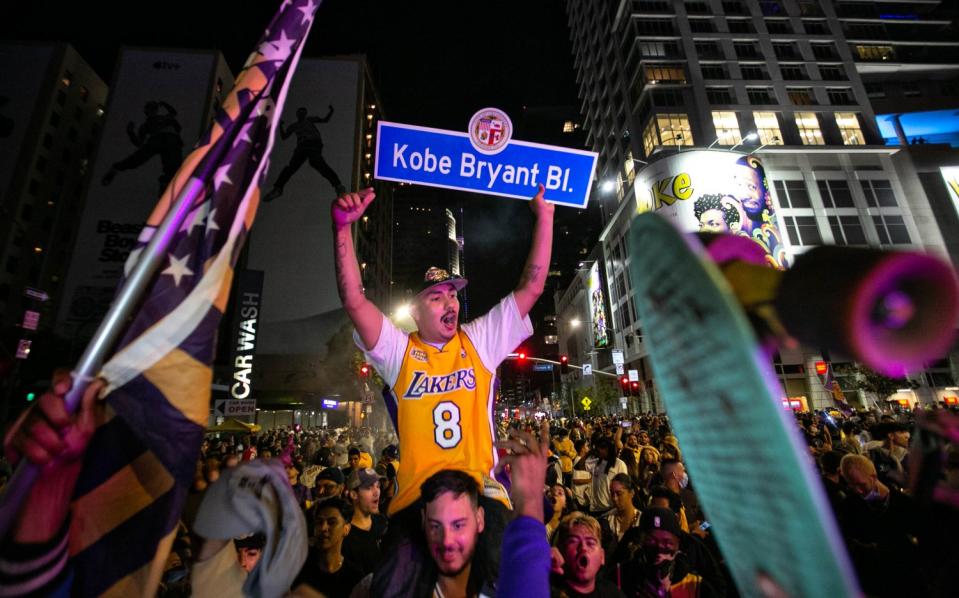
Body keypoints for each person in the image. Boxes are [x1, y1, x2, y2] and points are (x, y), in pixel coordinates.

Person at [332, 185, 554, 595]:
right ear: (415, 311)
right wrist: (343, 230)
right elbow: (354, 301)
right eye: (436, 297)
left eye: (452, 294)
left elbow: (532, 287)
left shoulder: (478, 341)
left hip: (481, 493)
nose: (449, 302)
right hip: (416, 500)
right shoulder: (399, 350)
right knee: (391, 589)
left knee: (516, 580)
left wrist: (545, 216)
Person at [619, 507, 709, 597]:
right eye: (651, 541)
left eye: (667, 542)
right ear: (640, 542)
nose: (659, 549)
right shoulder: (621, 576)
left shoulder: (695, 585)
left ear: (677, 544)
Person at [263, 105, 346, 201]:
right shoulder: (294, 126)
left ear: (305, 114)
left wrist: (331, 111)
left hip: (313, 143)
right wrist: (281, 126)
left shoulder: (309, 120)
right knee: (291, 167)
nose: (302, 115)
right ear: (298, 114)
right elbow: (284, 137)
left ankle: (338, 186)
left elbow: (325, 120)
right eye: (300, 113)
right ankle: (277, 188)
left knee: (317, 162)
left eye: (303, 113)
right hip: (302, 146)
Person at [101, 100, 183, 194]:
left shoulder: (164, 118)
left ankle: (166, 184)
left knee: (173, 164)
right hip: (159, 139)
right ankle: (116, 168)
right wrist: (130, 132)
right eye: (149, 110)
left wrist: (164, 104)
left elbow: (173, 113)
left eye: (153, 109)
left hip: (171, 139)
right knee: (138, 158)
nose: (152, 112)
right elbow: (139, 143)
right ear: (147, 112)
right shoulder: (145, 126)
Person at [293, 497, 365, 597]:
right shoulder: (299, 569)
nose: (323, 528)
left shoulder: (354, 578)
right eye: (319, 522)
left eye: (331, 522)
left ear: (346, 529)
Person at [549, 513, 625, 597]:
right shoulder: (546, 591)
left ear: (602, 556)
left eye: (590, 543)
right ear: (561, 551)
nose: (583, 547)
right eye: (573, 541)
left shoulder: (612, 593)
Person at [341, 468, 387, 576]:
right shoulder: (345, 535)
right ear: (353, 494)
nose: (377, 492)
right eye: (369, 487)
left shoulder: (382, 522)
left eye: (378, 486)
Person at [590, 439, 627, 517]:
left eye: (600, 448)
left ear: (608, 449)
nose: (597, 450)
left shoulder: (619, 464)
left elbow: (624, 487)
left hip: (610, 508)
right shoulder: (596, 462)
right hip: (595, 508)